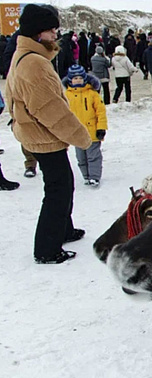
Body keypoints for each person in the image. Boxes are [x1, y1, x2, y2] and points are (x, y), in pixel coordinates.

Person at [5, 4, 93, 263]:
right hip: (43, 136)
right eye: (51, 29)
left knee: (63, 183)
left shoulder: (28, 56)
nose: (56, 33)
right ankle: (46, 249)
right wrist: (81, 136)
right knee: (58, 189)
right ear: (37, 32)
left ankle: (63, 230)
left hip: (36, 133)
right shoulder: (34, 64)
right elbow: (51, 110)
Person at [63, 65, 107, 187]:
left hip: (91, 131)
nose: (78, 80)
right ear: (70, 80)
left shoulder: (92, 94)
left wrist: (101, 127)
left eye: (80, 78)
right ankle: (86, 176)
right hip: (77, 133)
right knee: (81, 158)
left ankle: (94, 176)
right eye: (75, 78)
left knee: (93, 156)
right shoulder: (67, 95)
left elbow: (101, 112)